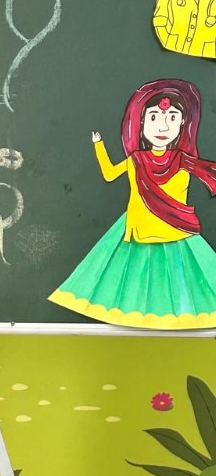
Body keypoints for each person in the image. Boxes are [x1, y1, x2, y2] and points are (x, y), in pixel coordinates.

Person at [49, 78, 216, 329]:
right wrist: (98, 146)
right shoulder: (136, 159)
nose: (162, 126)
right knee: (125, 288)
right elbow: (109, 174)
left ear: (183, 123)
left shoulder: (184, 160)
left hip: (176, 234)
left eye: (172, 118)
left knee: (187, 290)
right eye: (154, 117)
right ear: (141, 122)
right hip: (138, 230)